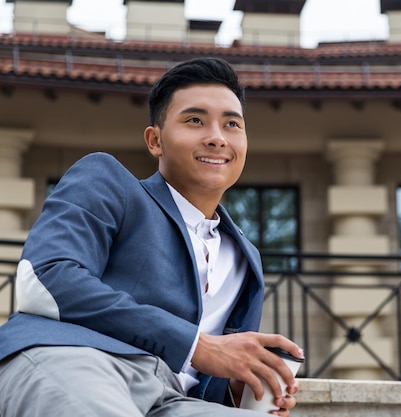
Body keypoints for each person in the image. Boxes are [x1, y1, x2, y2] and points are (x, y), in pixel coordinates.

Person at [0, 57, 303, 417]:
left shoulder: (245, 256)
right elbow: (44, 280)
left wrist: (238, 389)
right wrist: (199, 347)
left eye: (232, 124)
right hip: (75, 359)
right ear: (155, 141)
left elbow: (206, 371)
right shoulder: (107, 180)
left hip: (171, 399)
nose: (217, 138)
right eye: (195, 120)